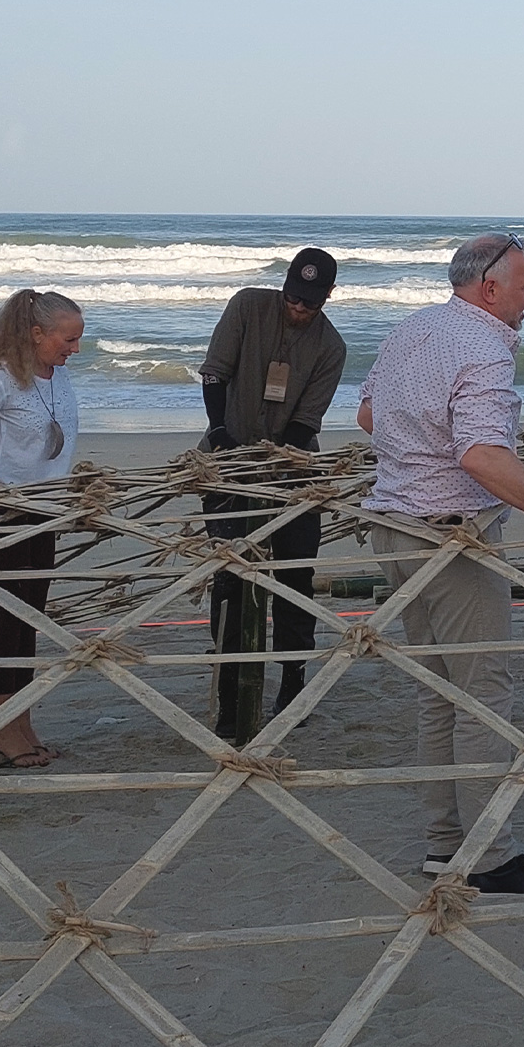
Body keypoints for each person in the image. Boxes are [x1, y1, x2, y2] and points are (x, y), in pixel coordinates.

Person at [356, 232, 524, 896]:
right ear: (490, 290)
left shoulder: (413, 328)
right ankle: (490, 855)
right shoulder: (484, 347)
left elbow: (370, 414)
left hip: (393, 530)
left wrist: (417, 452)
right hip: (450, 540)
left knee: (438, 695)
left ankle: (445, 845)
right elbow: (481, 455)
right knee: (482, 696)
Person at [197, 248, 349, 725]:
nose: (298, 308)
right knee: (231, 578)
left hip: (293, 471)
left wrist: (276, 463)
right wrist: (221, 434)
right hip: (227, 458)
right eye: (292, 298)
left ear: (328, 295)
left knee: (294, 578)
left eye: (310, 302)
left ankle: (292, 684)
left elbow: (305, 422)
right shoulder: (247, 306)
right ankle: (230, 695)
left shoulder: (331, 347)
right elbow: (215, 372)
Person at [0, 289, 84, 769]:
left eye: (78, 339)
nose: (75, 349)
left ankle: (22, 722)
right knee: (6, 618)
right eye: (68, 340)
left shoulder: (57, 377)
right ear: (36, 333)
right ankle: (2, 731)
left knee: (30, 618)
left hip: (45, 511)